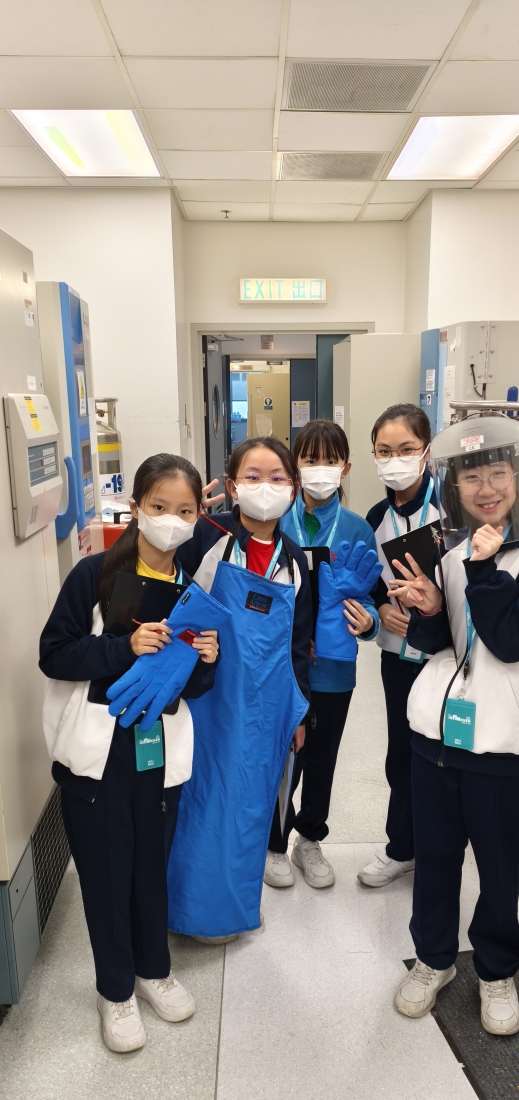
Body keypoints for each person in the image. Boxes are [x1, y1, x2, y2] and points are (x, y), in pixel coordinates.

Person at [390, 414, 519, 1035]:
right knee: (435, 859)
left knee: (498, 868)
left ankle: (496, 971)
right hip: (437, 737)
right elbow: (442, 642)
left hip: (502, 746)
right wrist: (428, 609)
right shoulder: (452, 548)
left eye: (498, 473)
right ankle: (433, 959)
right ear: (455, 486)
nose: (486, 488)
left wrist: (484, 569)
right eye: (472, 478)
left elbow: (512, 641)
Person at [39, 454, 220, 1054]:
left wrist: (207, 661)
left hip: (157, 751)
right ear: (136, 506)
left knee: (150, 868)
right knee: (106, 874)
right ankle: (115, 991)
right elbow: (55, 654)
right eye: (159, 506)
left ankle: (153, 971)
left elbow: (194, 687)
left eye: (185, 511)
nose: (171, 520)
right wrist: (124, 647)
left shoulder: (193, 590)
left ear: (197, 517)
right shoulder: (93, 576)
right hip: (98, 755)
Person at [171, 436, 312, 942]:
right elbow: (159, 583)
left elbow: (299, 644)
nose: (264, 487)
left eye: (277, 477)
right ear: (232, 486)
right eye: (252, 477)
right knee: (197, 798)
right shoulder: (204, 538)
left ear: (293, 489)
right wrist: (182, 518)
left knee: (249, 804)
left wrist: (299, 713)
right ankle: (184, 908)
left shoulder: (294, 561)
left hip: (264, 706)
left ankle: (230, 910)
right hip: (204, 694)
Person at [264, 418, 379, 890]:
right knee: (281, 752)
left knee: (322, 757)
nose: (320, 468)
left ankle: (309, 839)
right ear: (295, 465)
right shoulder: (276, 521)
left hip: (333, 669)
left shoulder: (357, 528)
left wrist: (368, 622)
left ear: (345, 468)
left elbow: (371, 598)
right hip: (281, 665)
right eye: (310, 459)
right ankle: (273, 841)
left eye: (330, 460)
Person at [358, 404, 439, 889]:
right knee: (401, 754)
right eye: (385, 451)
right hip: (397, 657)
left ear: (426, 451)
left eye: (406, 449)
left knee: (439, 757)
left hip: (445, 658)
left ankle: (438, 852)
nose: (396, 460)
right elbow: (368, 580)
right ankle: (401, 849)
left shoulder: (451, 511)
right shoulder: (376, 517)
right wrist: (379, 608)